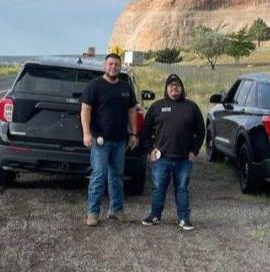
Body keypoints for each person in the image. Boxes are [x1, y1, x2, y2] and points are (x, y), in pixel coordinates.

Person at [80, 53, 139, 226]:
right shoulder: (95, 86)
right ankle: (93, 213)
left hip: (120, 140)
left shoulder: (125, 87)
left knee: (117, 176)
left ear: (120, 67)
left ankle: (116, 210)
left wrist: (134, 134)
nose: (113, 67)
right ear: (104, 66)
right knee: (99, 175)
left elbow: (131, 111)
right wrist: (86, 133)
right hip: (100, 141)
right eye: (110, 64)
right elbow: (85, 110)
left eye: (116, 64)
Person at [139, 73, 204, 231]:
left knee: (182, 188)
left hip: (184, 159)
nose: (174, 88)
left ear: (181, 88)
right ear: (166, 88)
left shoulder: (191, 107)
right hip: (162, 158)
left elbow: (201, 131)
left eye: (177, 86)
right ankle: (155, 215)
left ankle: (184, 218)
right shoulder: (157, 106)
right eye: (171, 86)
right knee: (158, 188)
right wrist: (150, 150)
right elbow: (145, 130)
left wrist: (194, 150)